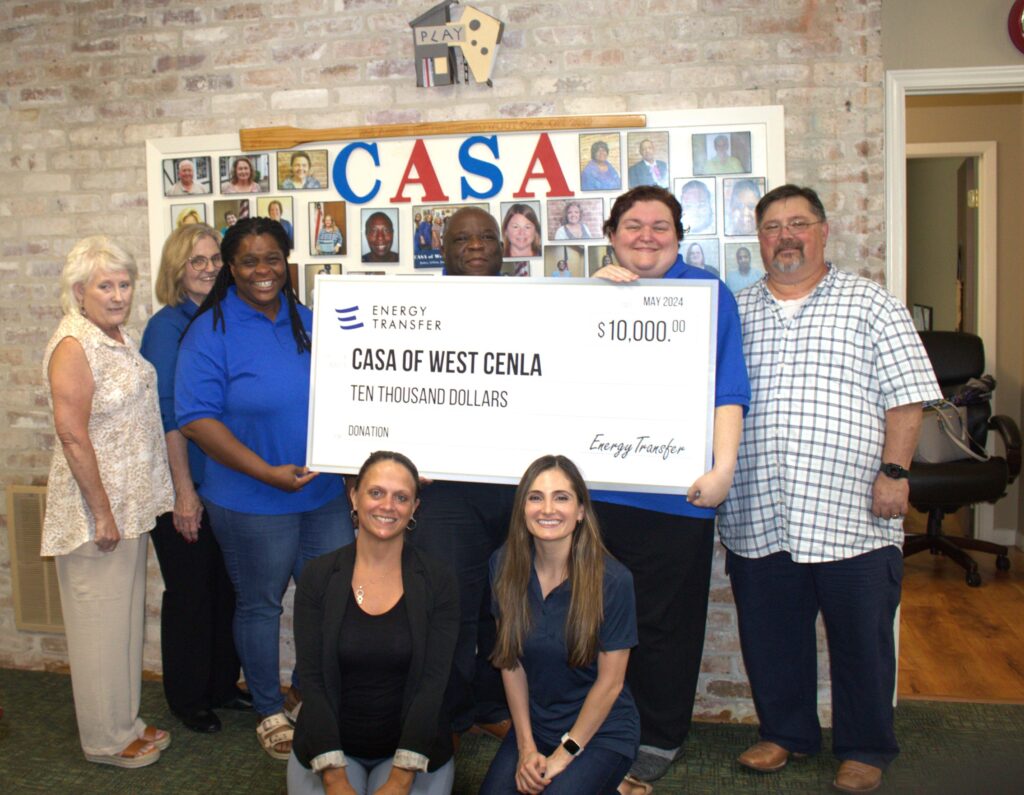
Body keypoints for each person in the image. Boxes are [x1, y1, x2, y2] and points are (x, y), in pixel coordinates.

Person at [717, 184, 941, 794]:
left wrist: (895, 472)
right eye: (772, 227)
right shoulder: (737, 311)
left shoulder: (872, 304)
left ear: (822, 231)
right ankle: (785, 733)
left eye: (798, 223)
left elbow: (907, 397)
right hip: (759, 511)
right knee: (771, 637)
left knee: (862, 641)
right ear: (759, 239)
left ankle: (866, 747)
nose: (785, 236)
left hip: (851, 513)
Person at [175, 217, 354, 760]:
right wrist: (265, 471)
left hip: (322, 496)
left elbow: (349, 391)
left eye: (272, 258)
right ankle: (269, 709)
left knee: (327, 601)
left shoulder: (309, 320)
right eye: (249, 261)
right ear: (232, 268)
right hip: (250, 499)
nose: (263, 271)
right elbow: (195, 420)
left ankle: (302, 691)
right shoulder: (211, 331)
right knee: (260, 605)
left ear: (286, 262)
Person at [591, 186, 749, 788]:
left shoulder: (708, 294)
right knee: (598, 620)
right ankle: (605, 726)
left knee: (666, 624)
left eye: (661, 226)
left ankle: (658, 734)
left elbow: (727, 389)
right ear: (612, 235)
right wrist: (588, 300)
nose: (647, 236)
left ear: (679, 237)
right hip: (599, 495)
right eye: (633, 225)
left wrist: (723, 468)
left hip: (678, 495)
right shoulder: (589, 293)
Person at [42, 236, 175, 768]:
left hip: (129, 507)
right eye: (105, 286)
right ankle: (103, 740)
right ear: (79, 291)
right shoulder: (73, 345)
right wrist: (101, 512)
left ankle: (126, 722)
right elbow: (72, 435)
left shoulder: (117, 336)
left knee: (123, 624)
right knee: (98, 631)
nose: (118, 295)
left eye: (124, 284)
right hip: (95, 513)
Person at [404, 206, 516, 743]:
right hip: (443, 489)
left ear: (503, 248)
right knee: (447, 604)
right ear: (442, 250)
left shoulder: (538, 306)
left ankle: (492, 703)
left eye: (485, 237)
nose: (475, 246)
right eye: (462, 239)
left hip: (516, 485)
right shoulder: (414, 311)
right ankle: (446, 715)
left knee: (506, 604)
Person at [288, 451, 459, 795]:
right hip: (330, 745)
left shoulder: (439, 580)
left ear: (414, 507)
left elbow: (433, 684)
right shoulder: (318, 576)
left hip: (412, 750)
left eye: (401, 497)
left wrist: (400, 779)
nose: (388, 506)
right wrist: (334, 778)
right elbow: (313, 681)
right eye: (376, 492)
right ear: (354, 497)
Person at [140, 224, 248, 735]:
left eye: (214, 259)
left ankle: (222, 685)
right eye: (196, 261)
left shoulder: (225, 318)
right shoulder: (167, 328)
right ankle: (188, 698)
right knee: (191, 594)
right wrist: (184, 493)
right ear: (176, 270)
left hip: (225, 484)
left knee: (225, 589)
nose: (208, 268)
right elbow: (170, 416)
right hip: (184, 485)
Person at [480, 455, 639, 795]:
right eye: (536, 497)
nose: (548, 509)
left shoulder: (613, 581)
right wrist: (525, 746)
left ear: (580, 510)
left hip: (600, 731)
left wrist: (563, 756)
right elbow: (510, 662)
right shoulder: (503, 564)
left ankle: (617, 785)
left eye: (561, 497)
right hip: (538, 726)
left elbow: (610, 684)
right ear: (522, 508)